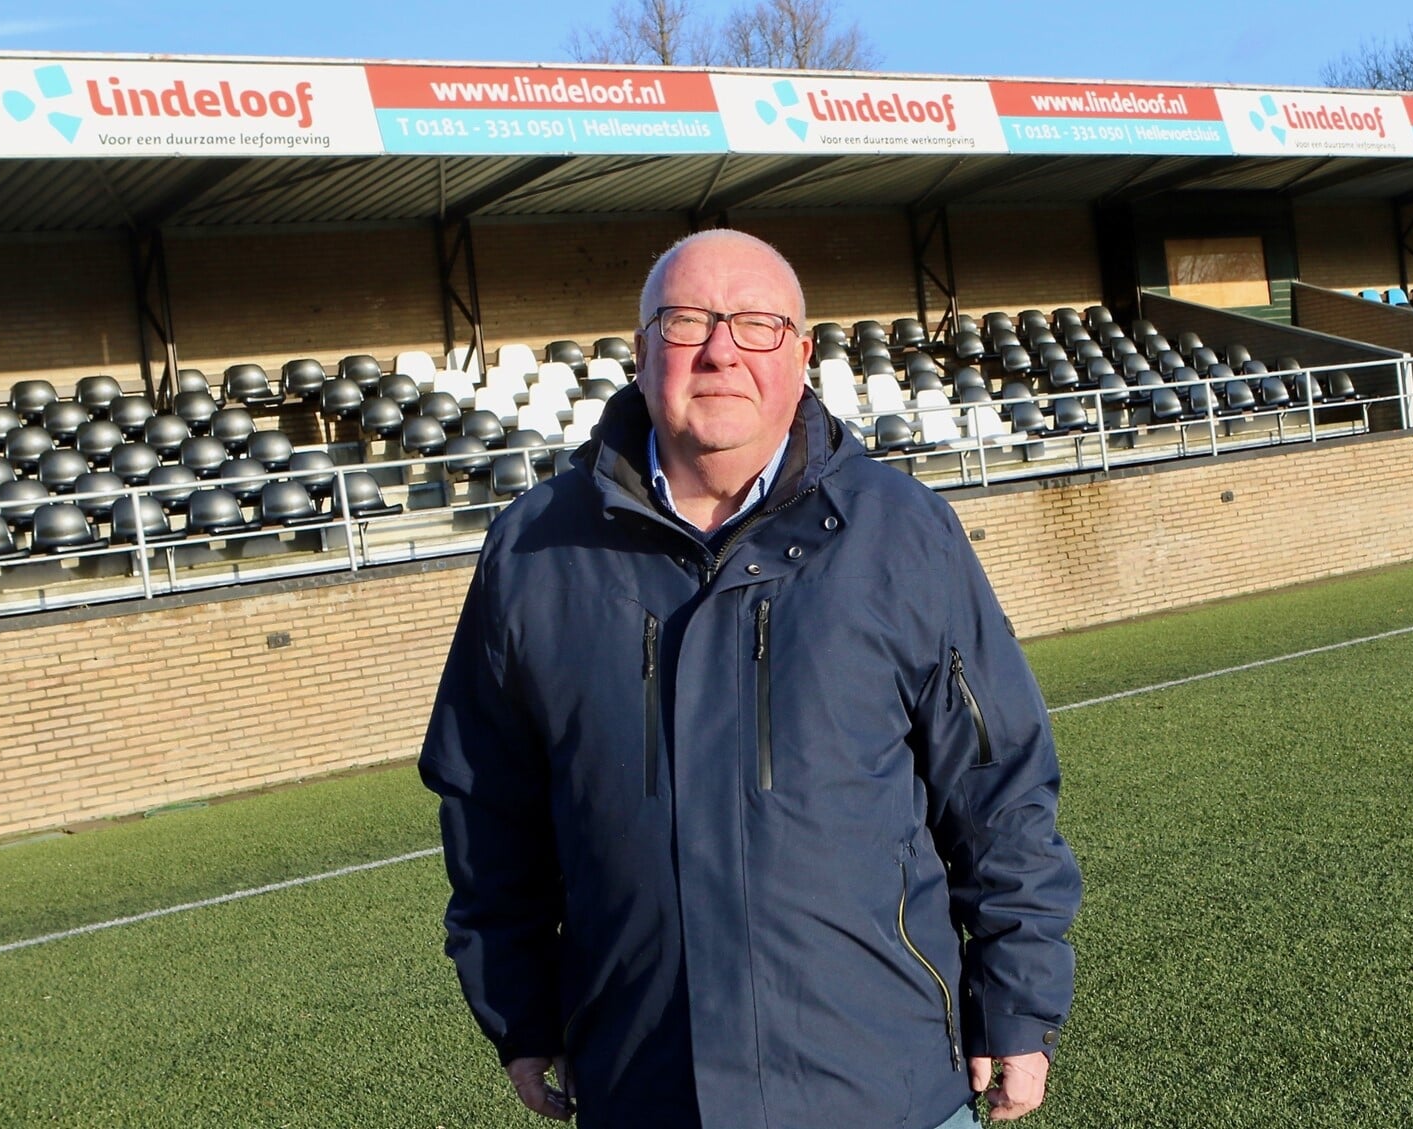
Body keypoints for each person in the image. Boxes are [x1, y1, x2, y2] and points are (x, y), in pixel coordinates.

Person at [419, 228, 1081, 1129]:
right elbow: (487, 809)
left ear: (801, 354)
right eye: (688, 321)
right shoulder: (534, 551)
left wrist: (1018, 1001)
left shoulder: (904, 534)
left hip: (884, 1088)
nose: (722, 349)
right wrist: (522, 1014)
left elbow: (998, 784)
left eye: (758, 324)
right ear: (644, 349)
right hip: (642, 1087)